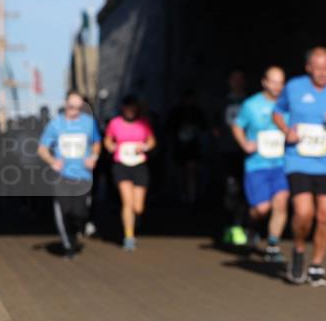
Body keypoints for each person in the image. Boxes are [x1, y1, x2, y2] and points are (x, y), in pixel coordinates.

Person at [273, 47, 326, 286]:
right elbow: (277, 112)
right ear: (308, 67)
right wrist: (287, 131)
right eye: (317, 68)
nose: (322, 72)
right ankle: (299, 249)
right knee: (303, 212)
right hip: (298, 159)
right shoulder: (294, 87)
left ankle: (317, 264)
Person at [232, 66, 290, 266]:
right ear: (264, 82)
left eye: (281, 82)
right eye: (273, 81)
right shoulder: (251, 104)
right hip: (257, 164)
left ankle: (273, 245)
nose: (277, 86)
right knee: (262, 208)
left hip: (281, 163)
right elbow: (237, 125)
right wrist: (244, 144)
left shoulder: (288, 104)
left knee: (281, 201)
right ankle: (252, 225)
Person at [37, 91, 102, 259]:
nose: (75, 110)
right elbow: (42, 149)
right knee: (65, 211)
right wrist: (52, 161)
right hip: (62, 176)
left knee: (80, 213)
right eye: (72, 107)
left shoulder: (89, 123)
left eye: (79, 108)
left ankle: (77, 230)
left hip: (83, 175)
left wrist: (93, 157)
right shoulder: (56, 124)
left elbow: (96, 143)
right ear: (65, 105)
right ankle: (69, 246)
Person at [103, 95, 156, 251]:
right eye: (127, 107)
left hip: (139, 164)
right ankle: (129, 236)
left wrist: (145, 147)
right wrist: (110, 147)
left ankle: (135, 222)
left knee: (138, 207)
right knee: (127, 202)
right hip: (121, 164)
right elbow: (108, 139)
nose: (130, 110)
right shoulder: (115, 123)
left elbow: (152, 140)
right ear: (123, 109)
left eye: (133, 107)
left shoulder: (143, 123)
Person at [216, 69, 250, 246]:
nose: (236, 83)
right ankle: (229, 226)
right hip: (227, 151)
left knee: (246, 191)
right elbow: (215, 126)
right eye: (233, 79)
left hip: (248, 153)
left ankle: (244, 226)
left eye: (240, 79)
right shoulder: (222, 102)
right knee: (230, 190)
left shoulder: (250, 102)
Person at [168, 89, 208, 205]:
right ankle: (183, 194)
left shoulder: (196, 112)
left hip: (193, 146)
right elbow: (169, 127)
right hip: (180, 146)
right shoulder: (176, 112)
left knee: (192, 170)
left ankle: (192, 195)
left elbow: (204, 126)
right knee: (181, 172)